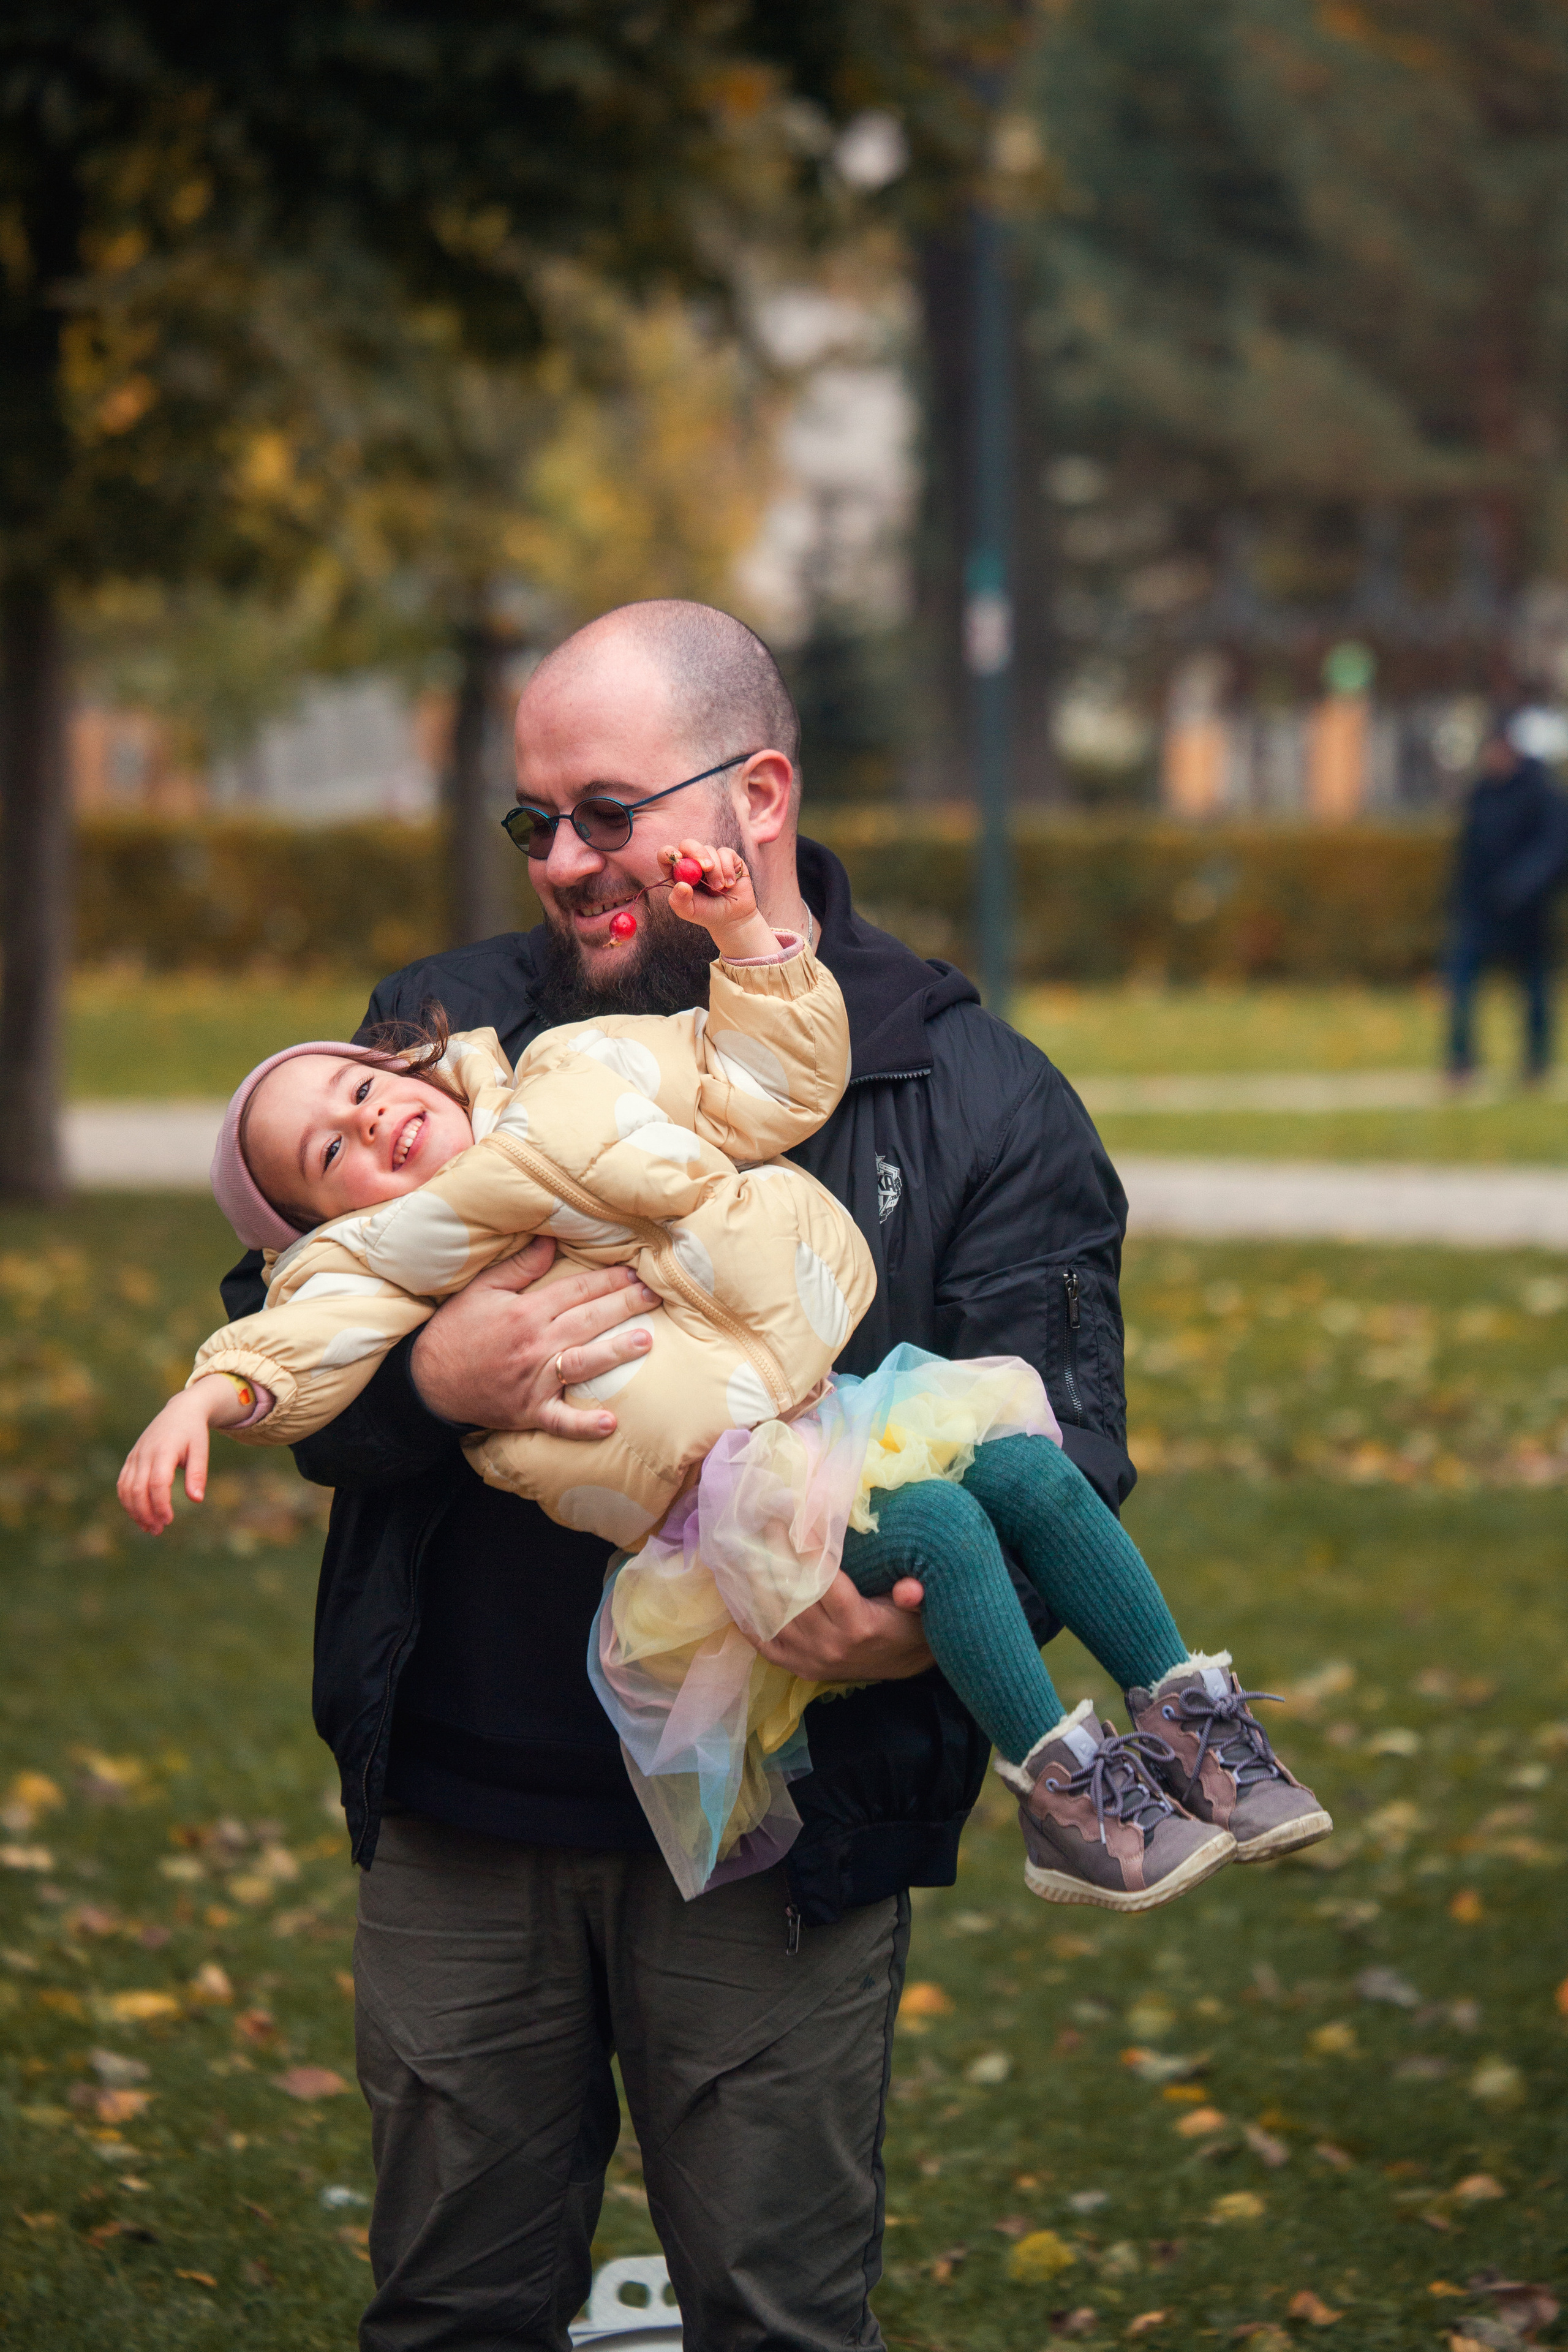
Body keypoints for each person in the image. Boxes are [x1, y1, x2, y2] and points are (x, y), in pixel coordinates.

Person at [198, 598, 1223, 2352]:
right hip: (468, 1821)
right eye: (536, 824)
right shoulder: (440, 1034)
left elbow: (1073, 1440)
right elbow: (279, 1347)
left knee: (777, 2315)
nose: (564, 863)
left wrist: (914, 1632)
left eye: (607, 813)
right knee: (448, 2310)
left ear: (759, 793)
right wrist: (434, 1384)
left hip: (788, 1854)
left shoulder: (972, 1090)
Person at [119, 842, 1329, 1912]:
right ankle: (1066, 1799)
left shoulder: (577, 1063)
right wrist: (203, 1398)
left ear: (408, 1069)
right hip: (726, 1499)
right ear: (316, 1222)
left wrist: (745, 940)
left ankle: (1188, 1717)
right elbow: (299, 1342)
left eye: (362, 1088)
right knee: (949, 1530)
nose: (369, 1124)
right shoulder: (387, 1250)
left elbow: (759, 1075)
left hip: (825, 1400)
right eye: (329, 1154)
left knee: (1031, 1471)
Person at [1447, 714, 1568, 1082]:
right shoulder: (1482, 792)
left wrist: (1522, 886)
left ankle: (1536, 1062)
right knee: (1462, 983)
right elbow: (1467, 852)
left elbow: (1554, 848)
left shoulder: (1540, 792)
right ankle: (1461, 1060)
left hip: (1525, 912)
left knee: (1533, 989)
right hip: (1480, 909)